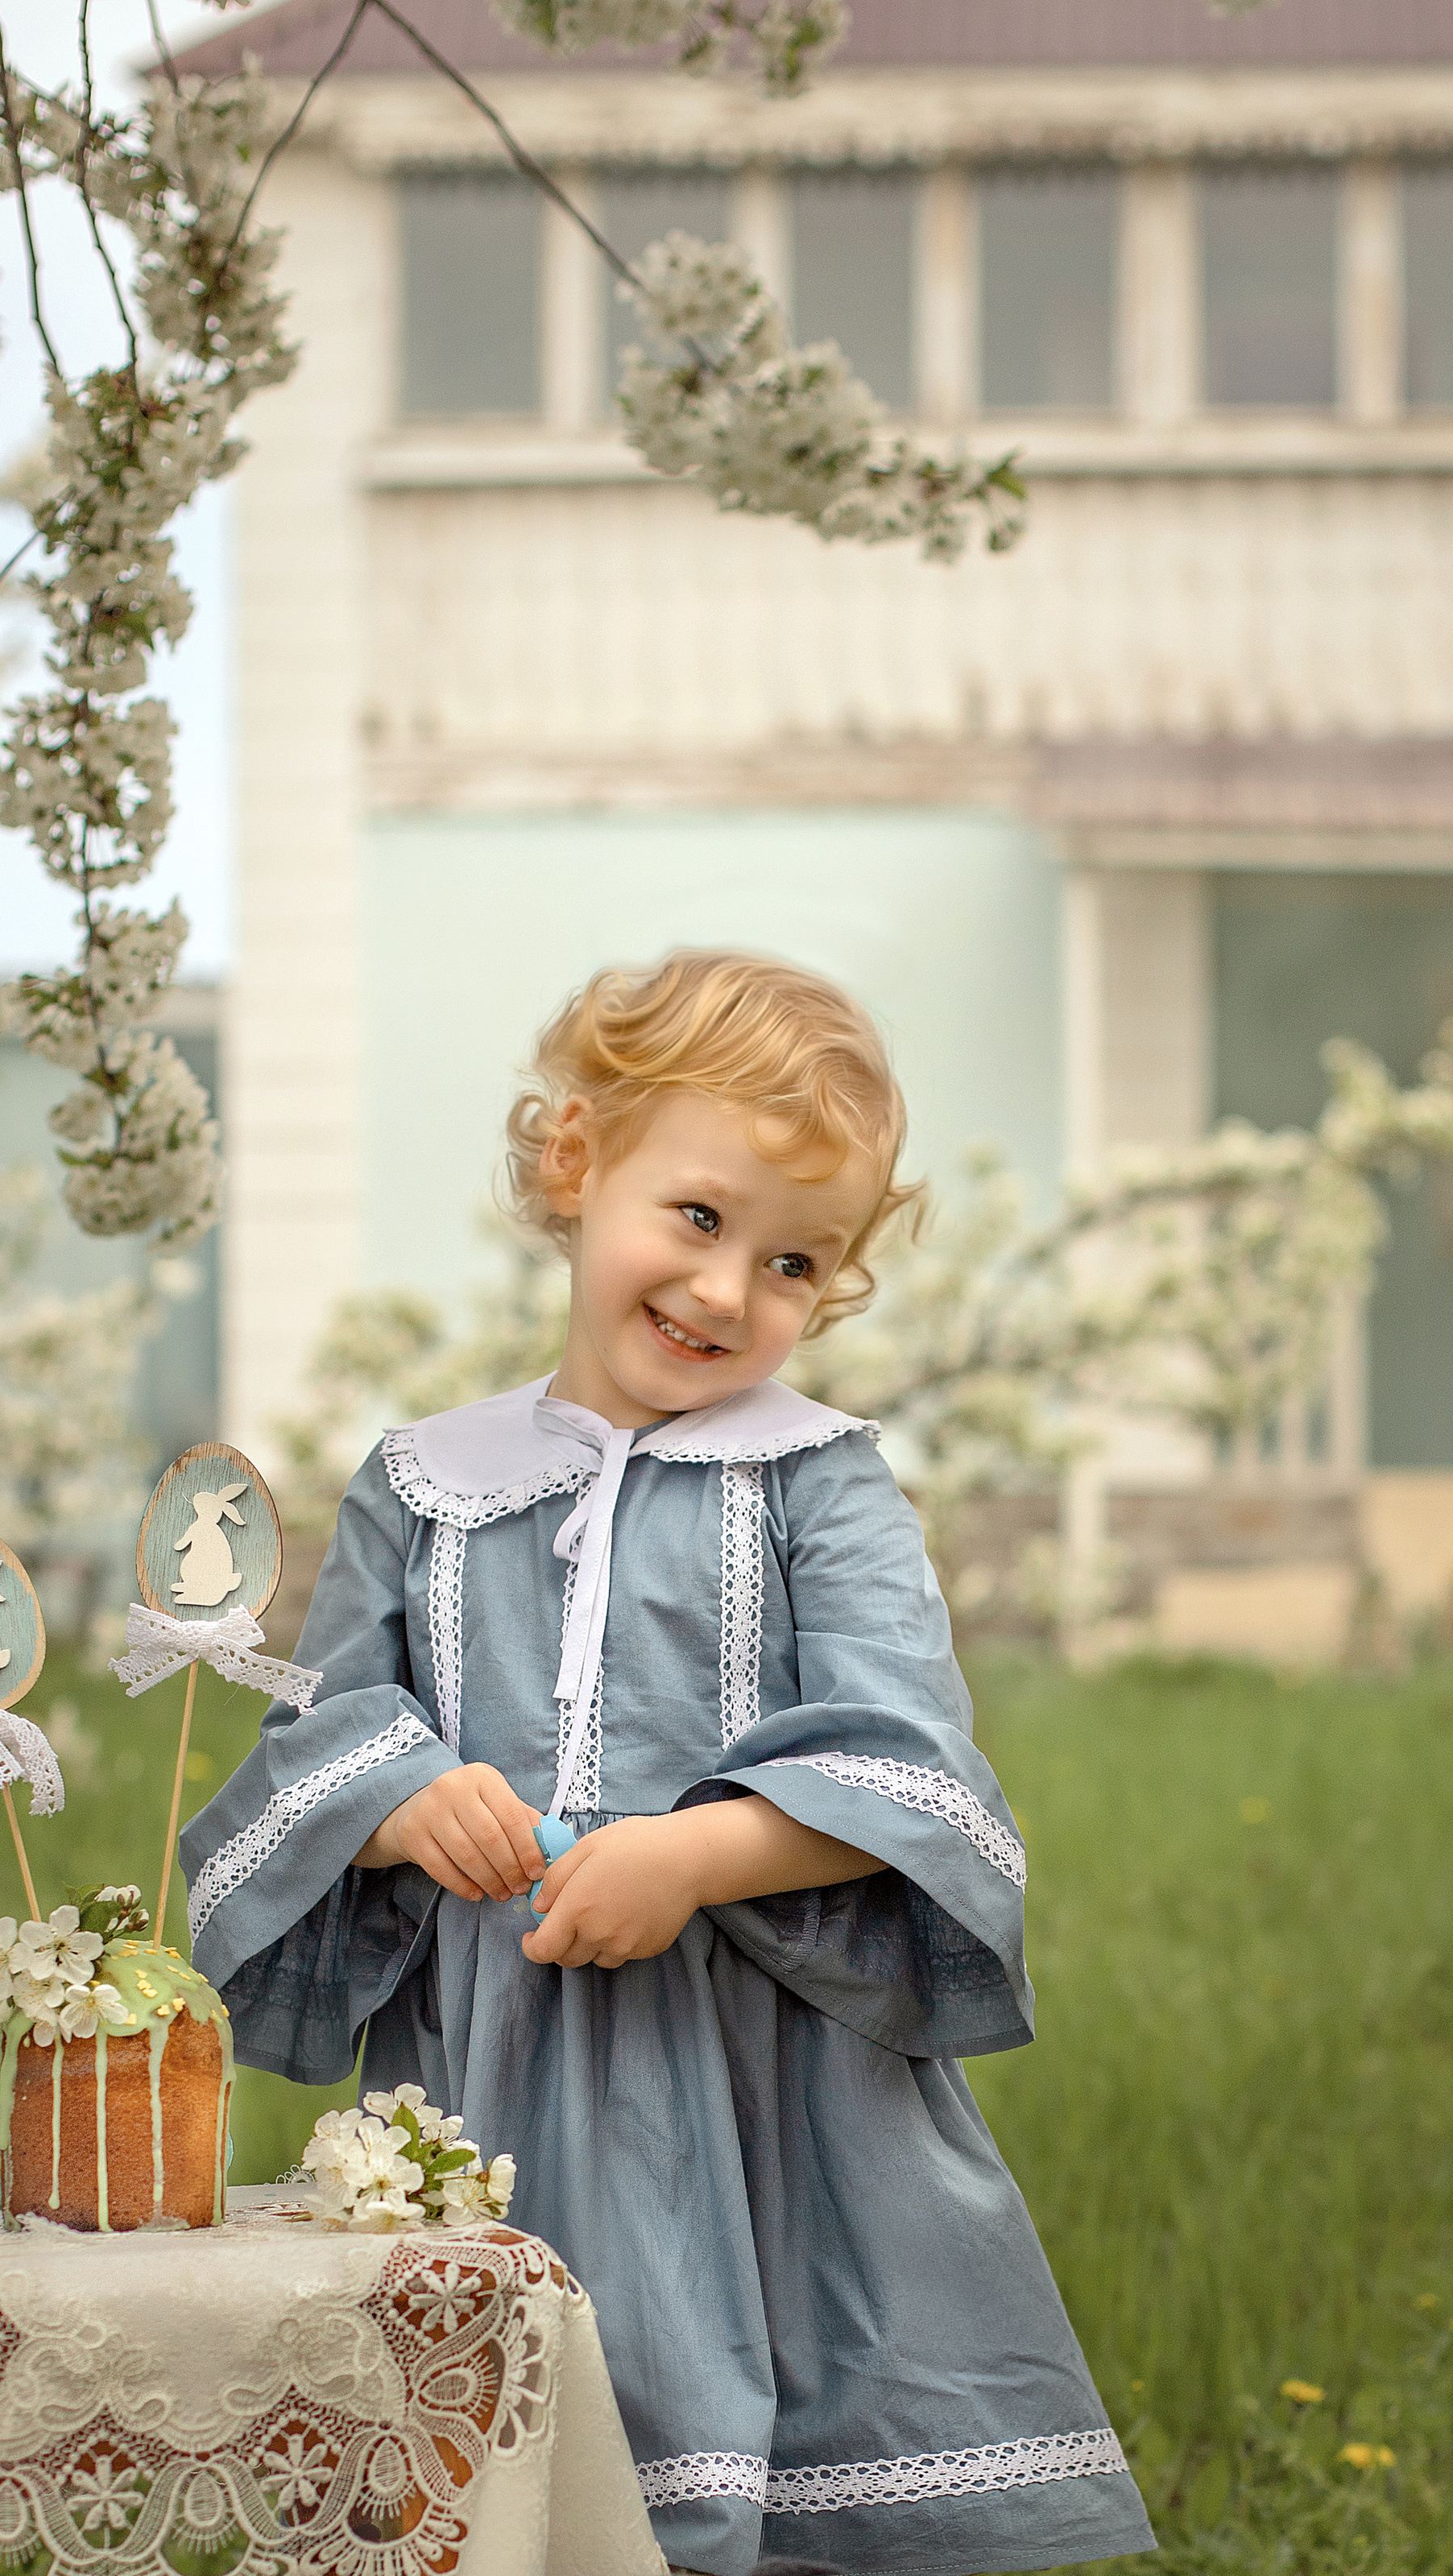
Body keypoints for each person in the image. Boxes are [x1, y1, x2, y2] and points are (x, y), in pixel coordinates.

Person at [182, 952, 1155, 2576]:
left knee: (769, 2453)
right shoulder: (425, 1483)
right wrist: (396, 1800)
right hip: (488, 2057)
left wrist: (694, 1855)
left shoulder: (817, 1483)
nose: (726, 1291)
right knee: (472, 2462)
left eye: (791, 1260)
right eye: (696, 1219)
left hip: (760, 2072)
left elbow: (908, 1759)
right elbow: (324, 1731)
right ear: (576, 1165)